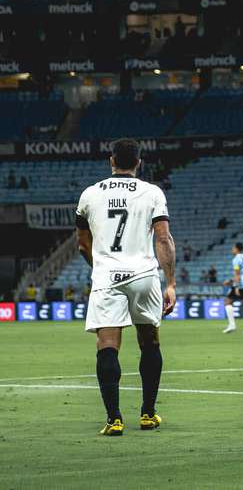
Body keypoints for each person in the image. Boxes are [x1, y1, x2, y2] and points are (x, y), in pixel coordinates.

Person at [75, 138, 176, 436]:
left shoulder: (89, 194)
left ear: (111, 161)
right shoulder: (151, 192)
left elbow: (82, 244)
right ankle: (148, 413)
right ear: (139, 163)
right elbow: (163, 239)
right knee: (150, 342)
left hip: (107, 276)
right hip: (144, 275)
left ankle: (114, 418)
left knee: (107, 346)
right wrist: (170, 283)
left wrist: (101, 268)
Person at [223, 243, 243, 334]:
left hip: (240, 284)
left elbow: (237, 274)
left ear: (237, 249)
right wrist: (230, 280)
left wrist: (236, 286)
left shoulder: (236, 259)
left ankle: (232, 325)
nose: (232, 250)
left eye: (233, 248)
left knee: (227, 302)